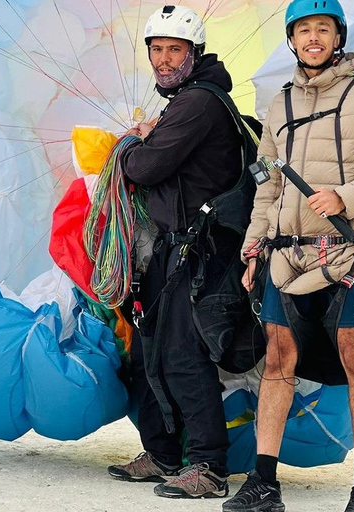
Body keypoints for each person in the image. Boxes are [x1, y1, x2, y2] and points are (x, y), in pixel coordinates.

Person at [222, 1, 354, 511]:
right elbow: (266, 186)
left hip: (347, 256)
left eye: (322, 29)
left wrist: (345, 197)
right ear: (292, 39)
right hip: (285, 258)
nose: (313, 38)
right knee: (279, 362)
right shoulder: (279, 106)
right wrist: (252, 249)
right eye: (303, 30)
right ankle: (264, 484)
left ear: (337, 36)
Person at [105, 4, 253, 499]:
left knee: (183, 355)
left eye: (174, 50)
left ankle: (208, 468)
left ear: (195, 54)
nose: (164, 60)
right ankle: (163, 454)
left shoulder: (198, 104)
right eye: (157, 51)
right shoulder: (184, 101)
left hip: (200, 253)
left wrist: (129, 149)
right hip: (176, 249)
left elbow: (144, 168)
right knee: (149, 350)